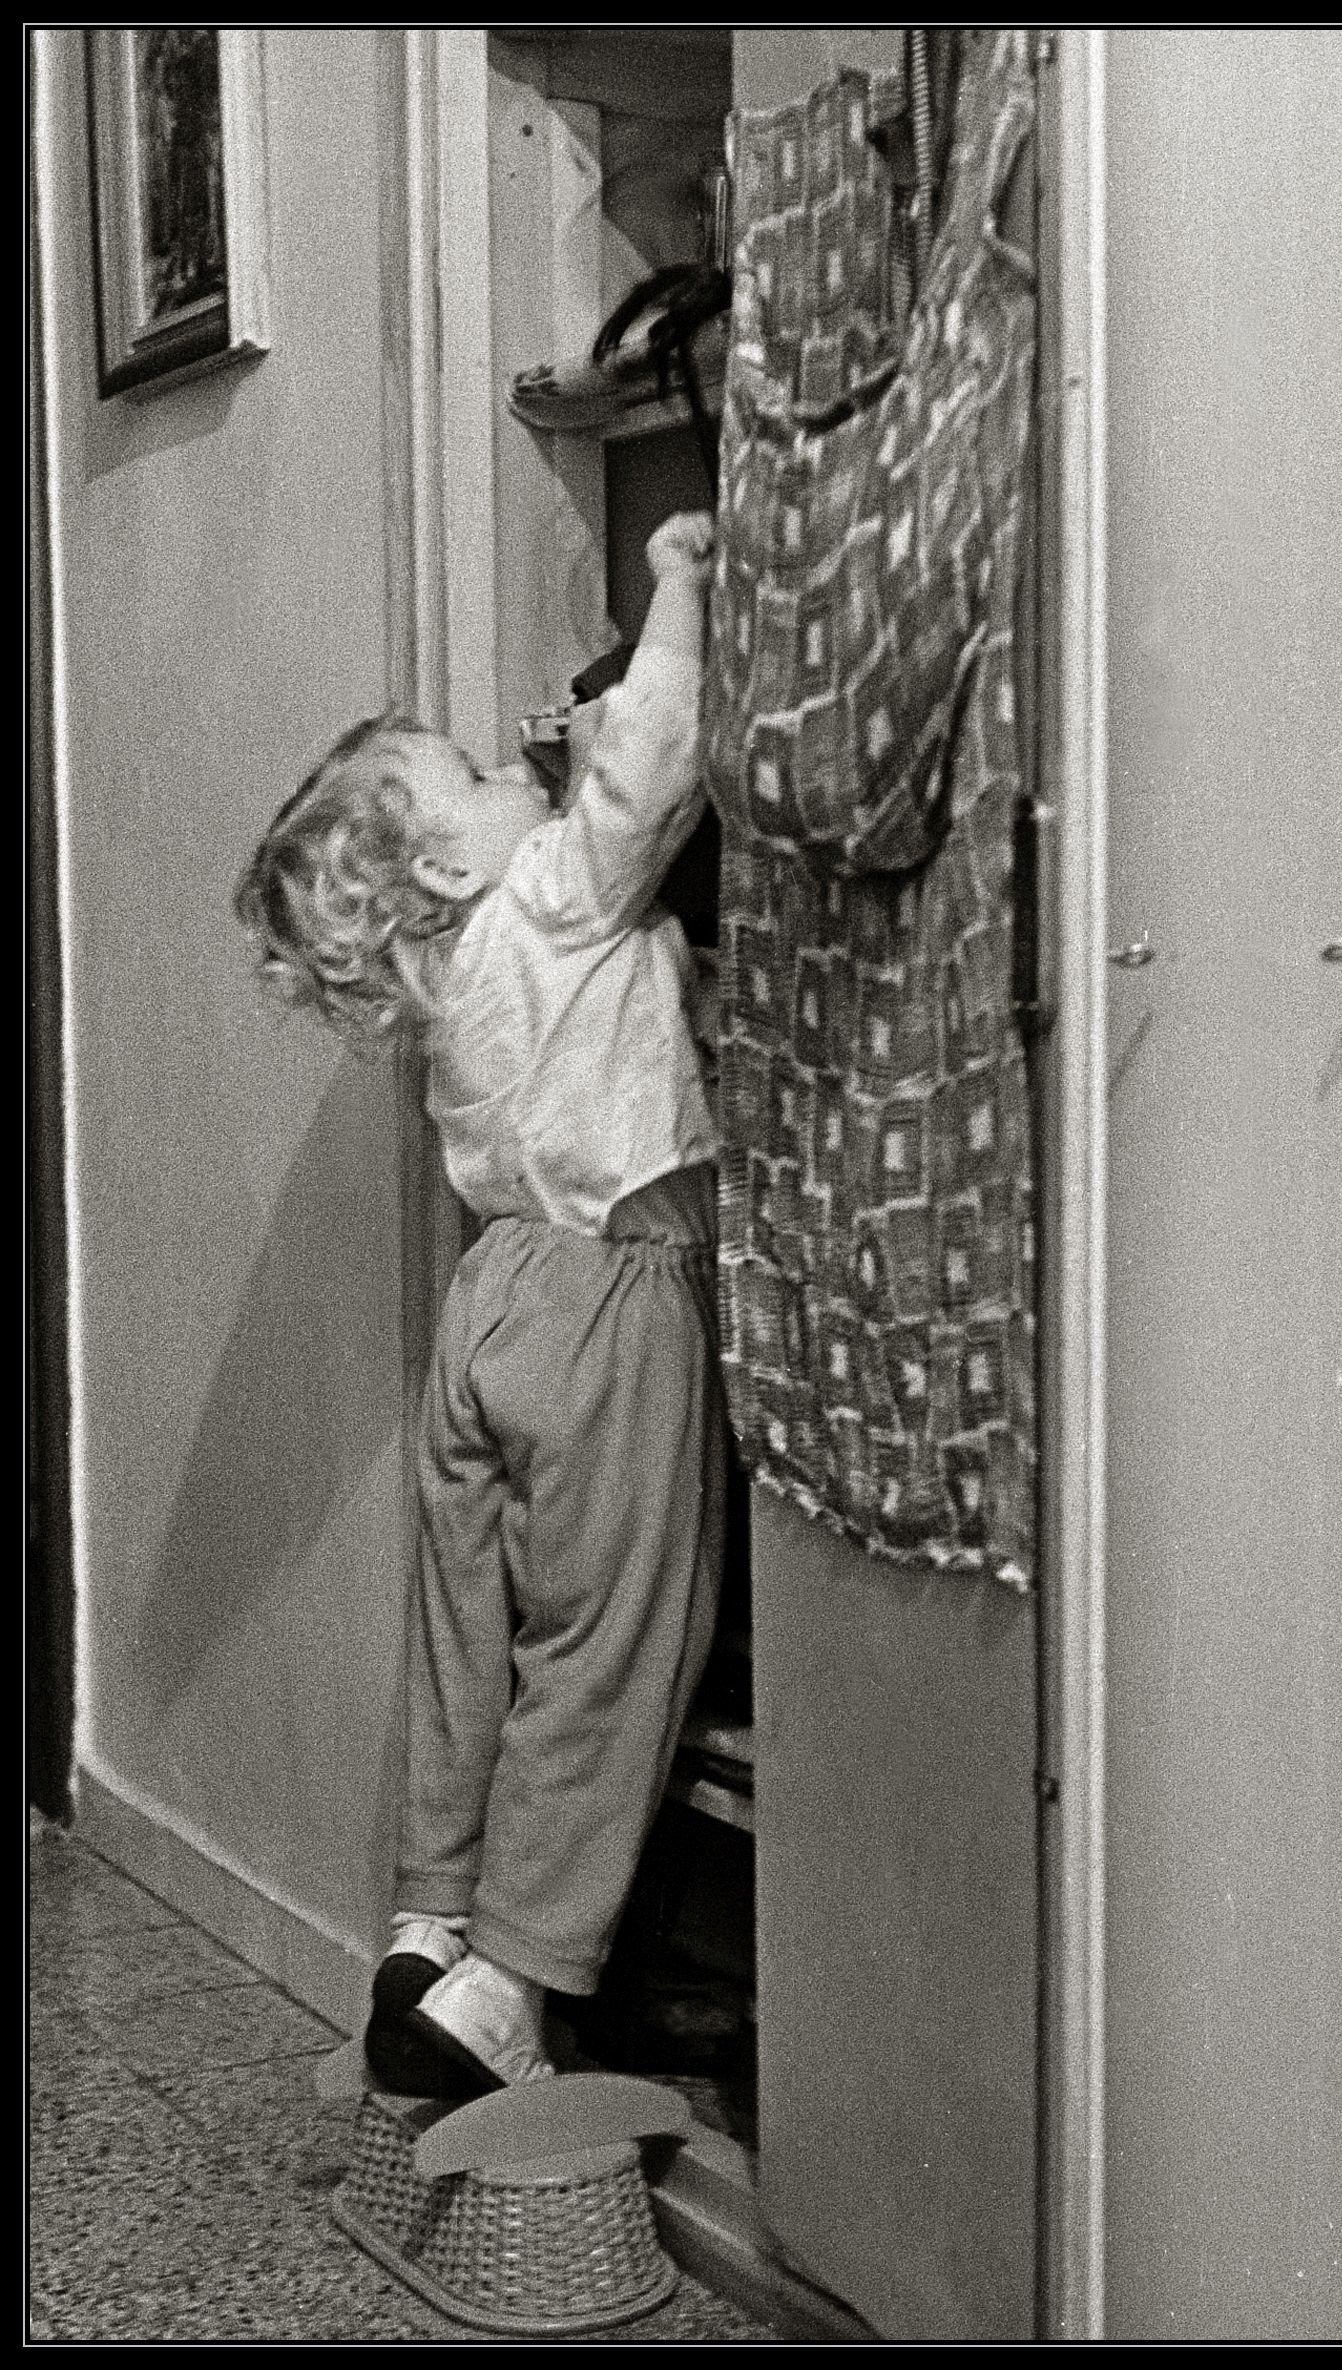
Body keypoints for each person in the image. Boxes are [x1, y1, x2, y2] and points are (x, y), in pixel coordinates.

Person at [234, 512, 724, 2096]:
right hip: (608, 1296)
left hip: (490, 1299)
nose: (516, 772)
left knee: (470, 1635)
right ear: (450, 864)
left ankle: (428, 1920)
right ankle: (511, 1984)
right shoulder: (556, 896)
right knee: (609, 1645)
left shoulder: (450, 986)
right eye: (473, 772)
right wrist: (678, 594)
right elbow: (648, 772)